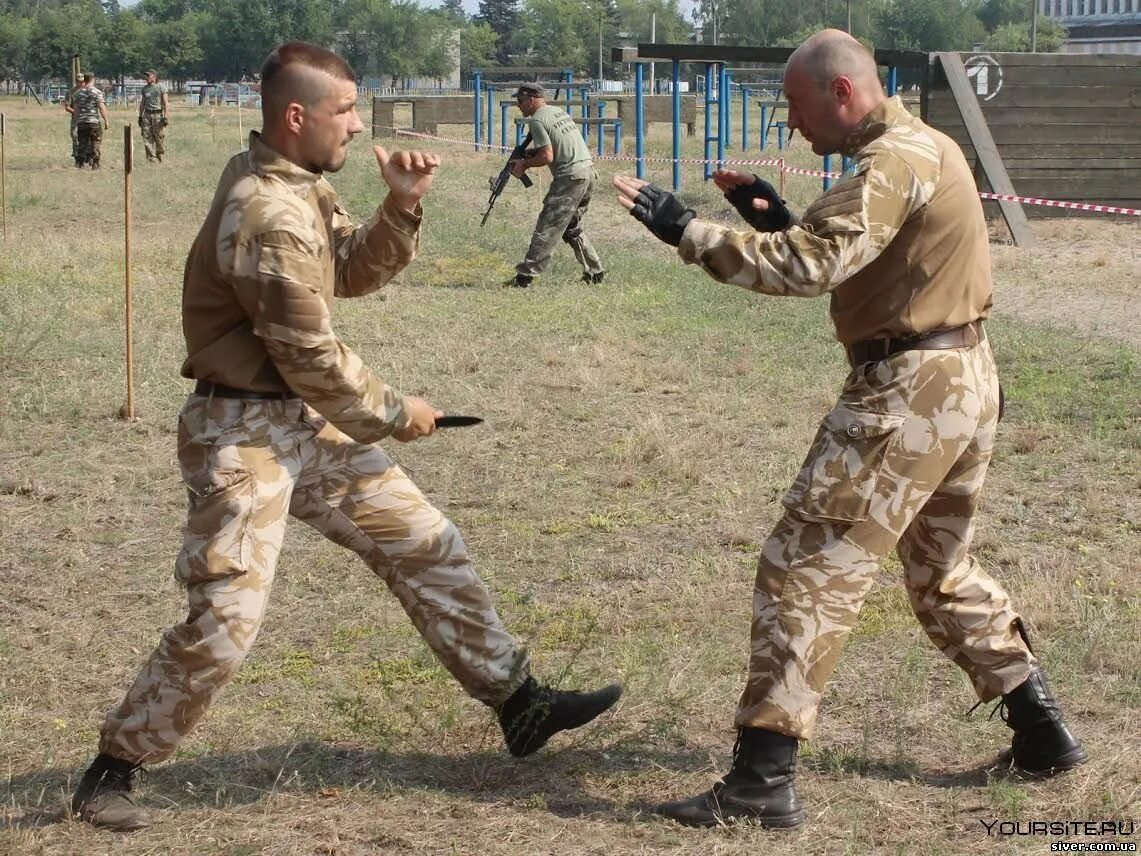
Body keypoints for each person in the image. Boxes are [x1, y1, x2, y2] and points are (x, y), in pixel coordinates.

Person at [71, 41, 621, 833]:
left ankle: (518, 702)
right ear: (297, 116)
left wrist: (399, 207)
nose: (358, 128)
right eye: (346, 111)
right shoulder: (265, 210)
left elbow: (352, 274)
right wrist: (400, 413)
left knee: (425, 540)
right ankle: (112, 770)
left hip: (299, 419)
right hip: (244, 431)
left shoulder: (297, 185)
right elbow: (310, 356)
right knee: (226, 617)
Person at [614, 29, 1086, 829]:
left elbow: (808, 267)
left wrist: (684, 230)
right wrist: (772, 215)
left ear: (841, 94)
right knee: (940, 569)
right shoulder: (923, 146)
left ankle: (761, 780)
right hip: (960, 377)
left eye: (796, 107)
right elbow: (868, 253)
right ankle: (1041, 732)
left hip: (907, 392)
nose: (792, 125)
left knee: (804, 565)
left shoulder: (891, 159)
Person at [505, 83, 604, 288]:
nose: (519, 106)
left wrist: (524, 164)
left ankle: (525, 277)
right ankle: (595, 272)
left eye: (520, 101)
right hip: (588, 172)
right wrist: (530, 154)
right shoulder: (557, 112)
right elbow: (557, 146)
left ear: (531, 100)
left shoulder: (537, 120)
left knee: (547, 226)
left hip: (570, 177)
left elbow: (546, 156)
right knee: (570, 227)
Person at [71, 73, 109, 169]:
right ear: (93, 79)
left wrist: (76, 122)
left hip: (82, 122)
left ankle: (80, 163)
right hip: (94, 122)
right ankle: (95, 163)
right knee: (95, 142)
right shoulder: (97, 92)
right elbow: (101, 107)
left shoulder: (77, 93)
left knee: (82, 142)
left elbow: (76, 110)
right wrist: (106, 121)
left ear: (85, 80)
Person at [138, 69, 170, 163]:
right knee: (147, 136)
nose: (146, 78)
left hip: (158, 114)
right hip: (147, 115)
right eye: (146, 76)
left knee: (159, 136)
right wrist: (140, 116)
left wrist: (166, 116)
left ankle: (159, 153)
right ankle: (151, 158)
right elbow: (142, 103)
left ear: (154, 76)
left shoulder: (161, 87)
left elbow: (165, 103)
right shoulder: (145, 89)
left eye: (148, 76)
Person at [63, 73, 83, 165]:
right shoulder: (71, 92)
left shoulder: (88, 91)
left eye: (83, 81)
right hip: (76, 120)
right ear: (76, 81)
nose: (81, 83)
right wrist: (76, 113)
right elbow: (67, 107)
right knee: (75, 138)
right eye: (79, 81)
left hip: (87, 119)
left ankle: (89, 158)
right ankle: (77, 158)